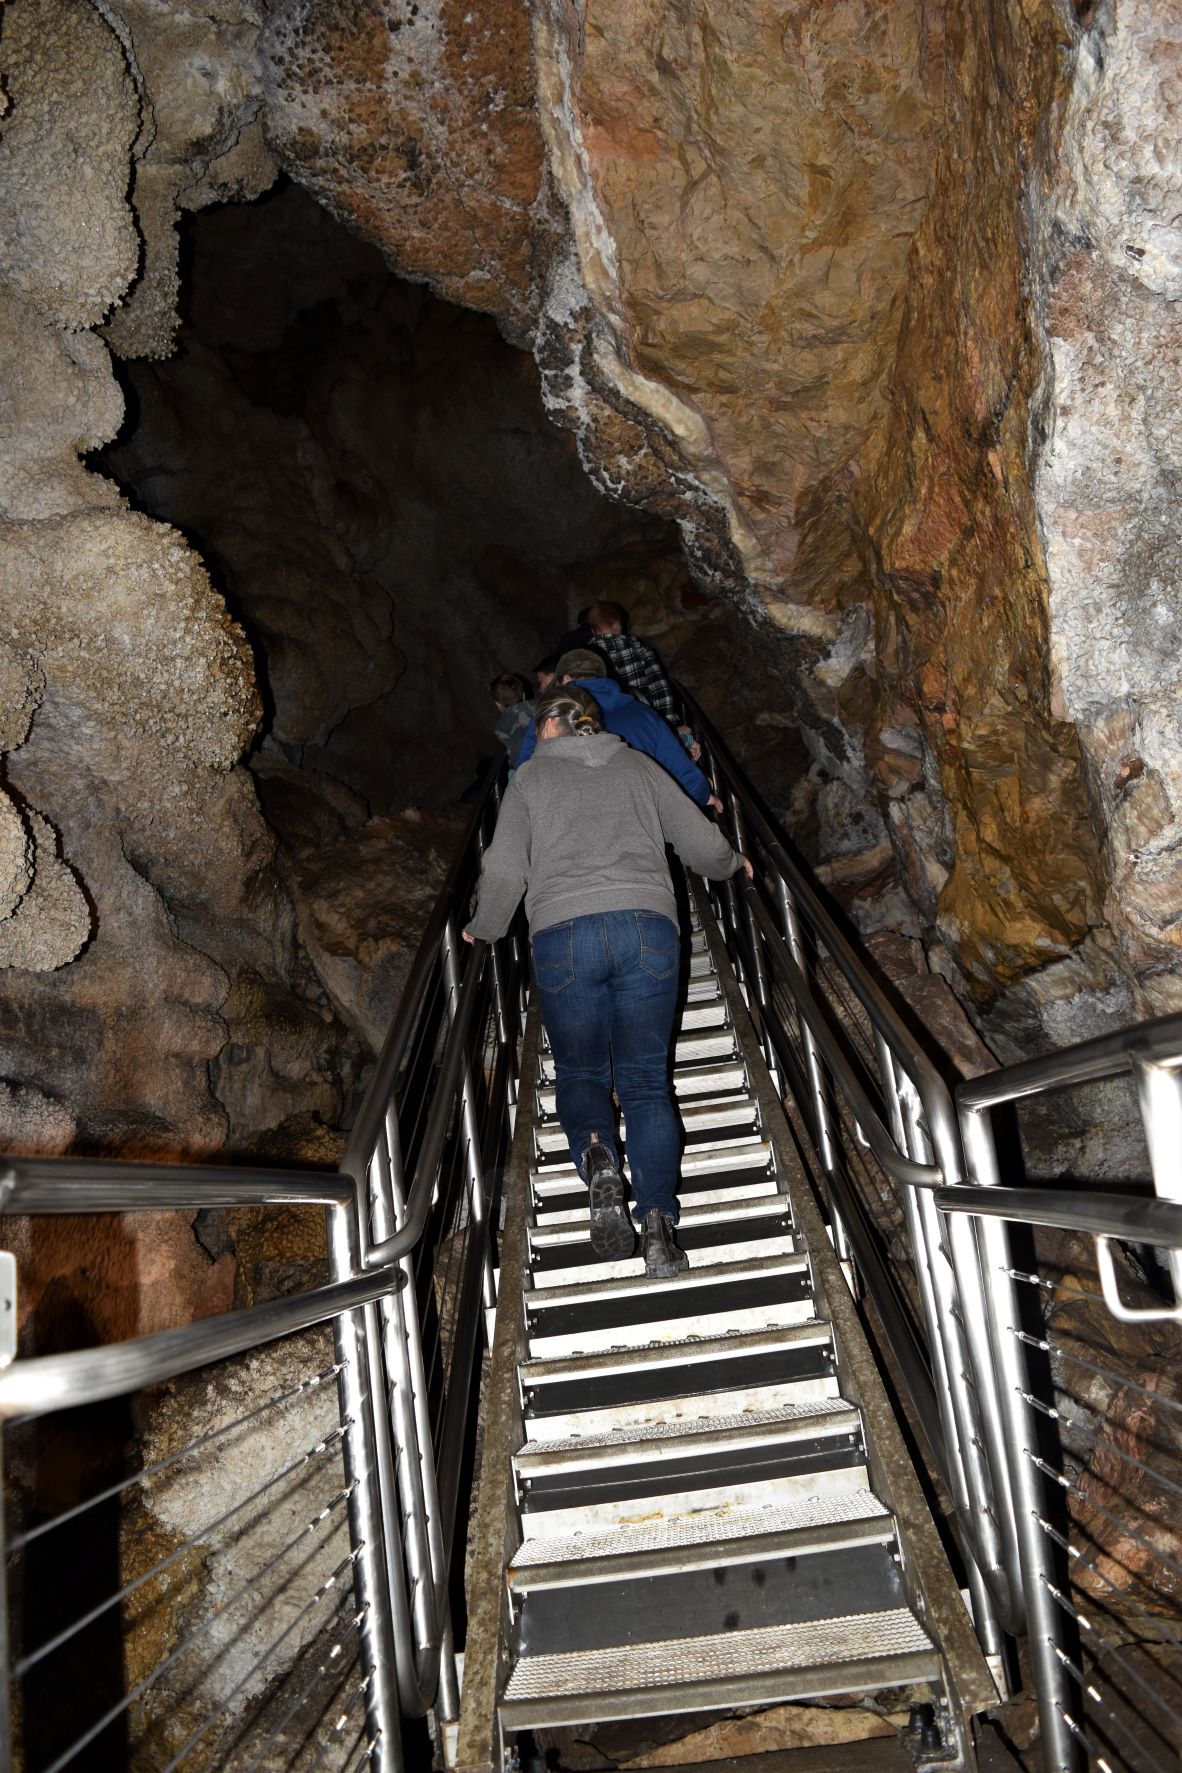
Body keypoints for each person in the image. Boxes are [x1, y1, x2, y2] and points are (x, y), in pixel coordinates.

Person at [463, 685, 751, 1276]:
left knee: (582, 1072)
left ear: (546, 728)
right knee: (645, 1083)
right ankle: (659, 1227)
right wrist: (731, 864)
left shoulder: (529, 781)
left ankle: (597, 1155)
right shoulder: (637, 765)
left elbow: (506, 868)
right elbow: (699, 840)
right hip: (647, 927)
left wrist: (484, 928)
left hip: (563, 935)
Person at [514, 649, 721, 812]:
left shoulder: (549, 718)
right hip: (640, 824)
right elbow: (678, 768)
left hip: (570, 829)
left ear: (566, 680)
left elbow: (525, 772)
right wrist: (703, 795)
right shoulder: (644, 714)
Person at [490, 672, 534, 768]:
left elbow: (519, 761)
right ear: (523, 694)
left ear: (498, 704)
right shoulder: (543, 704)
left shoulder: (502, 728)